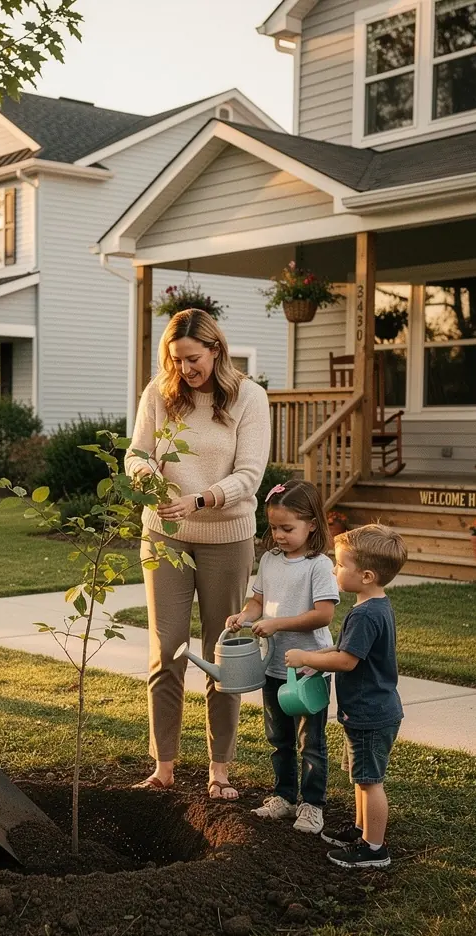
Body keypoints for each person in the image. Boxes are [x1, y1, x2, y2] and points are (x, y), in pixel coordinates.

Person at [125, 307, 270, 800]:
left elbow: (251, 473)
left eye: (193, 359)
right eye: (176, 360)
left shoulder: (250, 397)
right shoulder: (159, 395)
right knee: (166, 651)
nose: (185, 370)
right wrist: (146, 478)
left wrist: (202, 498)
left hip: (226, 535)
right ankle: (164, 767)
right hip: (164, 535)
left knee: (221, 652)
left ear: (215, 350)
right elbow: (137, 453)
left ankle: (219, 770)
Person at [285, 524, 408, 869]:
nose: (335, 569)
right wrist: (318, 665)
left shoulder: (366, 614)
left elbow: (347, 660)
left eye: (340, 565)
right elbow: (344, 650)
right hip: (367, 710)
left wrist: (305, 657)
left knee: (370, 782)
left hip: (371, 713)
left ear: (366, 575)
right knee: (360, 776)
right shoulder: (375, 605)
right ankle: (360, 829)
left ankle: (374, 849)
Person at [226, 479, 339, 834]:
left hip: (309, 667)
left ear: (312, 524)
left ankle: (312, 804)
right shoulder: (271, 560)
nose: (279, 535)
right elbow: (257, 600)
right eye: (274, 528)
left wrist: (277, 623)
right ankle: (285, 797)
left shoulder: (318, 565)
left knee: (311, 741)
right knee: (279, 739)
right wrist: (245, 616)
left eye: (287, 528)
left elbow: (324, 614)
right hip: (273, 666)